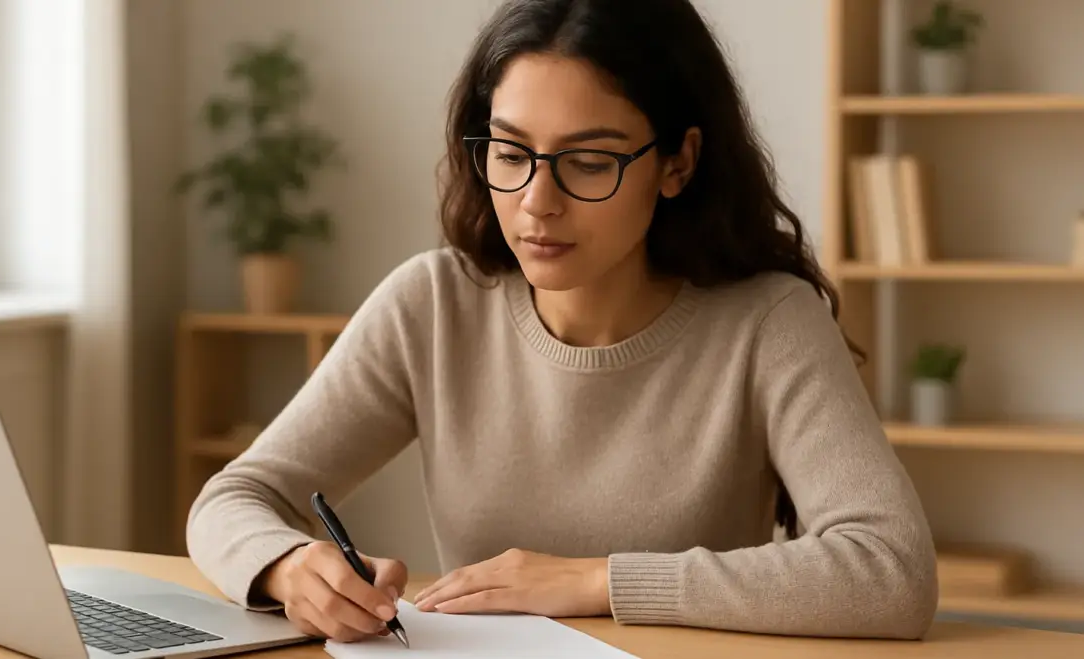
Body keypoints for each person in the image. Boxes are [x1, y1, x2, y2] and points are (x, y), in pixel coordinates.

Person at [186, 0, 938, 645]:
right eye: (511, 152)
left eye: (588, 162)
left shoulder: (769, 320)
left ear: (677, 163)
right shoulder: (433, 304)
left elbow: (891, 568)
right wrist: (289, 568)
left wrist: (592, 581)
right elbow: (233, 498)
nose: (537, 202)